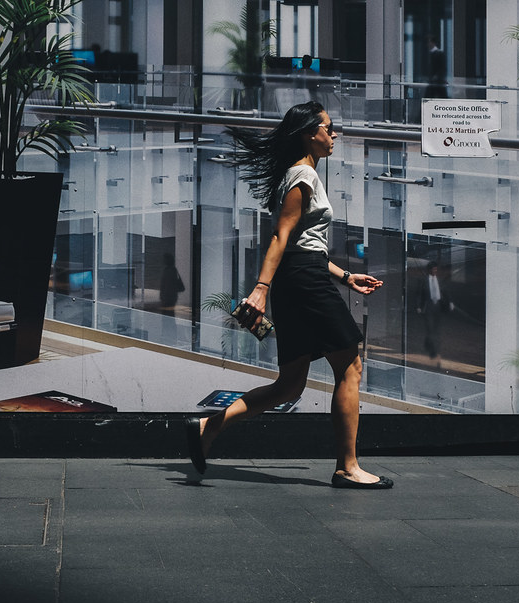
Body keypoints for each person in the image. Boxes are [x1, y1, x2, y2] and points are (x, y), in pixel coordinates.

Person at [185, 101, 393, 489]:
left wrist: (345, 276)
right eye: (329, 129)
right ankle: (347, 467)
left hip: (302, 276)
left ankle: (207, 427)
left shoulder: (300, 173)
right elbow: (281, 237)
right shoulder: (302, 177)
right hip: (302, 282)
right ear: (307, 132)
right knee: (350, 366)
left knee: (290, 384)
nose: (334, 135)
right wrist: (260, 290)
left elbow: (303, 245)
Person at [416, 261, 452, 367]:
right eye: (433, 269)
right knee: (430, 328)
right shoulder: (423, 281)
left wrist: (449, 303)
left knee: (436, 329)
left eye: (436, 269)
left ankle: (429, 343)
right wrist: (418, 306)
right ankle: (432, 351)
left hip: (438, 306)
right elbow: (419, 294)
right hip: (429, 306)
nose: (435, 271)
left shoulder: (439, 280)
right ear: (429, 270)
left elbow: (445, 292)